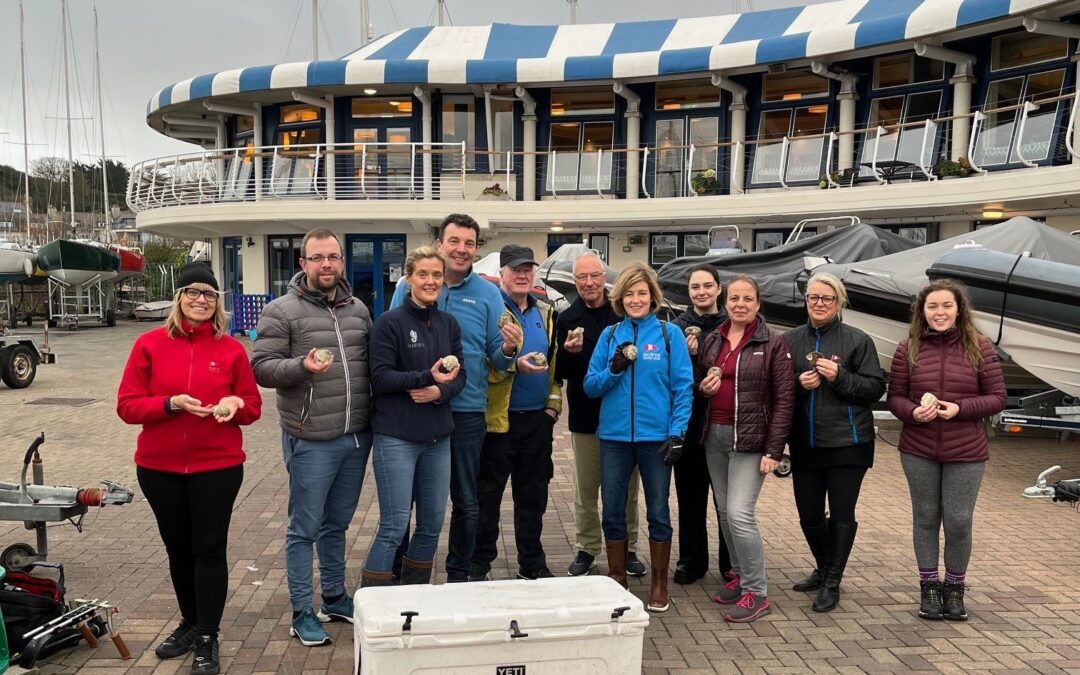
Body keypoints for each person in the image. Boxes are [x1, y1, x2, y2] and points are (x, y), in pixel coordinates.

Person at [117, 262, 262, 675]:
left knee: (209, 549)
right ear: (178, 298)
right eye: (193, 292)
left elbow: (252, 407)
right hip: (158, 467)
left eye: (209, 294)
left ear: (217, 303)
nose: (201, 299)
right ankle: (189, 623)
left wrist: (235, 406)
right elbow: (127, 406)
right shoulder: (148, 345)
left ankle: (208, 636)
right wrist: (170, 404)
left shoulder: (231, 349)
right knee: (178, 550)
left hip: (217, 467)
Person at [251, 228, 373, 647]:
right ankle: (302, 609)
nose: (326, 265)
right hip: (310, 438)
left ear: (341, 262)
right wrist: (302, 366)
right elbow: (262, 368)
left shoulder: (358, 309)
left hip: (355, 437)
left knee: (337, 523)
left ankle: (335, 596)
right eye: (317, 258)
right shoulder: (281, 311)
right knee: (304, 528)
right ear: (303, 264)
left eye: (333, 257)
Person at [389, 214, 519, 582]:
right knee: (409, 501)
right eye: (455, 241)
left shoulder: (489, 294)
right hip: (416, 408)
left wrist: (508, 349)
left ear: (476, 248)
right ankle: (404, 573)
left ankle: (460, 574)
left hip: (466, 412)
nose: (462, 250)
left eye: (469, 243)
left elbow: (496, 356)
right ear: (440, 243)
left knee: (466, 499)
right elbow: (393, 344)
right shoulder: (408, 286)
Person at [887, 279, 1006, 621]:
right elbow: (895, 397)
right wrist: (911, 412)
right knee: (925, 518)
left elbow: (998, 398)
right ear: (922, 312)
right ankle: (929, 588)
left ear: (959, 309)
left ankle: (954, 589)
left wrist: (960, 408)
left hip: (966, 450)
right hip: (918, 448)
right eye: (932, 306)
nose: (940, 312)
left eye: (947, 306)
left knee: (958, 521)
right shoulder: (907, 347)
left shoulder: (979, 347)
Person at [584, 262, 693, 613]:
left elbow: (682, 387)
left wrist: (677, 433)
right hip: (614, 437)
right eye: (629, 293)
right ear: (620, 298)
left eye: (641, 293)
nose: (635, 299)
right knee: (613, 509)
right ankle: (618, 579)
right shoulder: (610, 335)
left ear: (652, 297)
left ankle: (659, 583)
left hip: (656, 438)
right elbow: (591, 385)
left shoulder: (668, 334)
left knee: (658, 511)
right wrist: (614, 369)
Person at [362, 247, 466, 587]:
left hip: (438, 438)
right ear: (408, 278)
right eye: (423, 274)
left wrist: (440, 391)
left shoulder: (449, 324)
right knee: (394, 525)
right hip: (397, 438)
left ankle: (413, 597)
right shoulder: (388, 323)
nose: (431, 281)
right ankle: (373, 600)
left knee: (432, 524)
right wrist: (426, 377)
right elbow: (380, 378)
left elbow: (460, 375)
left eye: (437, 275)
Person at [783, 272, 886, 612]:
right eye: (814, 297)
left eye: (827, 298)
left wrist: (840, 377)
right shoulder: (790, 340)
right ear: (806, 300)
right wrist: (799, 384)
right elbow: (778, 391)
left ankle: (831, 581)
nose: (820, 303)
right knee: (809, 515)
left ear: (839, 302)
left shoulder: (858, 340)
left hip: (848, 443)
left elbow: (874, 389)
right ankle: (824, 566)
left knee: (842, 513)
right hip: (805, 442)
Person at [696, 274, 794, 623]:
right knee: (724, 512)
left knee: (740, 513)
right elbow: (700, 383)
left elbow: (784, 400)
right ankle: (738, 576)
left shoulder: (774, 343)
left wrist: (774, 450)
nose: (740, 304)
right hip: (716, 435)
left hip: (751, 441)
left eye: (747, 299)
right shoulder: (713, 339)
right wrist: (704, 389)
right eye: (734, 298)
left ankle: (757, 592)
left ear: (757, 303)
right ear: (725, 302)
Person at [470, 244, 563, 581]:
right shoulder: (491, 308)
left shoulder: (546, 311)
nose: (522, 274)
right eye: (515, 269)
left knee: (533, 496)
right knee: (488, 496)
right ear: (503, 274)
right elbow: (480, 363)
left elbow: (554, 364)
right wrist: (512, 364)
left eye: (528, 269)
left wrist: (552, 407)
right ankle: (479, 563)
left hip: (537, 420)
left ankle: (532, 562)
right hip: (499, 420)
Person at [554, 253, 646, 578]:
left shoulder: (621, 312)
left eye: (594, 276)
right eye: (582, 278)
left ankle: (629, 548)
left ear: (603, 277)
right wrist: (568, 353)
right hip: (586, 417)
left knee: (626, 490)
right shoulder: (566, 317)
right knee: (586, 490)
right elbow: (559, 372)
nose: (589, 283)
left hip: (623, 417)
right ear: (575, 281)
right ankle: (587, 548)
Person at [670, 264, 732, 586]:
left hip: (724, 423)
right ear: (689, 292)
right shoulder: (677, 328)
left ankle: (730, 563)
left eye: (708, 285)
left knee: (726, 500)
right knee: (690, 498)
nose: (702, 292)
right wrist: (689, 358)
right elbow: (670, 377)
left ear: (718, 289)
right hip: (691, 425)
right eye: (695, 287)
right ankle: (691, 560)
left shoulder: (732, 325)